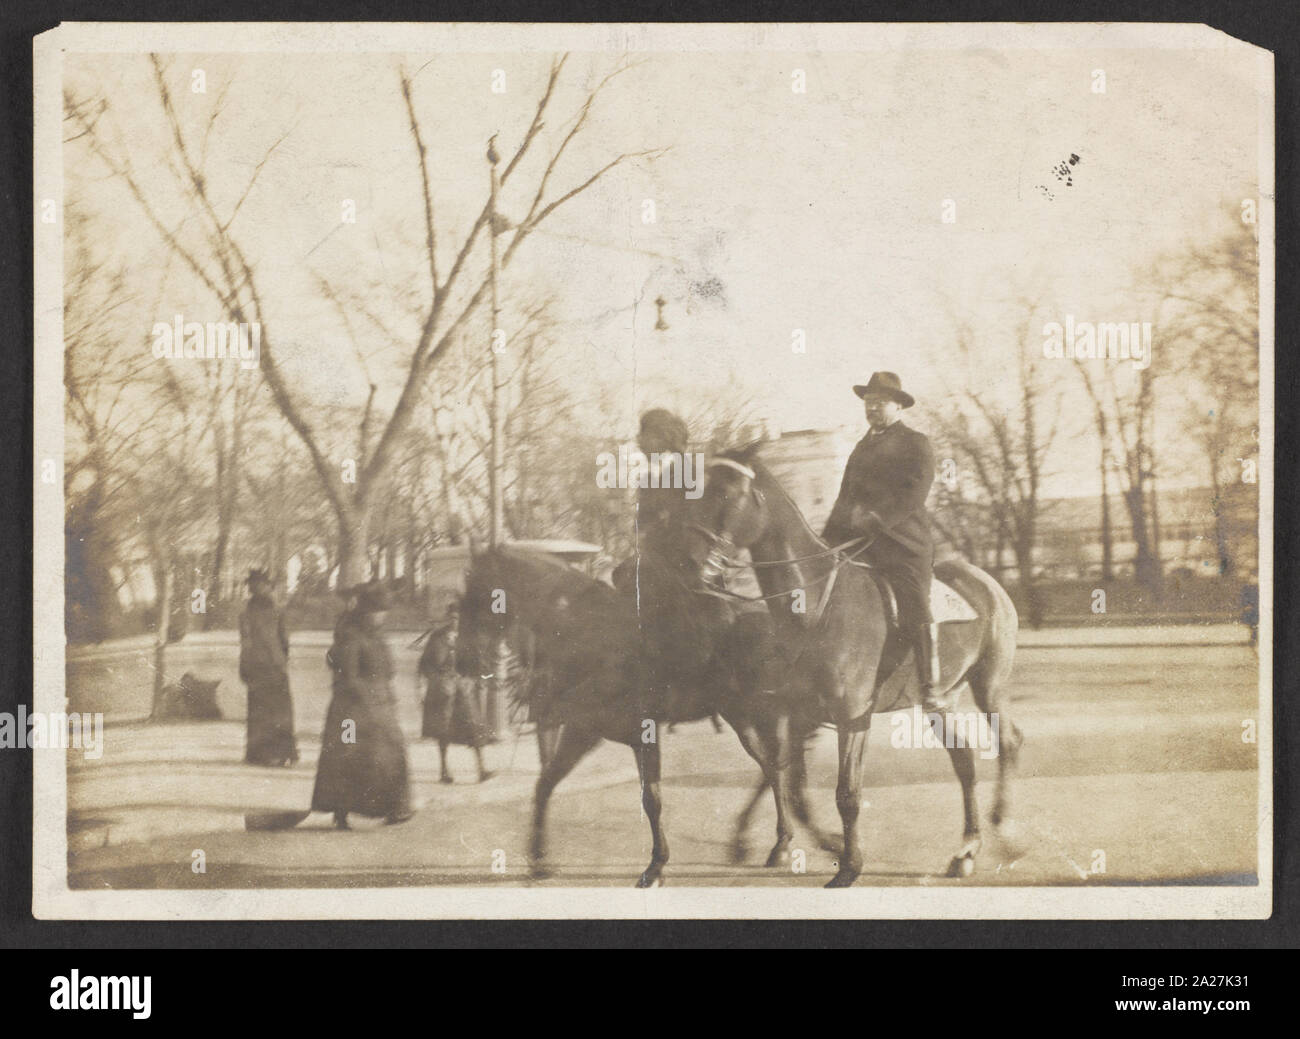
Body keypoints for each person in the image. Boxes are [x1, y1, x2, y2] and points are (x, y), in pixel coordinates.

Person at [821, 372, 943, 712]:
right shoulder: (860, 449)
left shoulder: (915, 443)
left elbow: (914, 495)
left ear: (899, 406)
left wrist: (877, 519)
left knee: (914, 602)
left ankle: (930, 684)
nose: (872, 408)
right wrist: (826, 542)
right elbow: (844, 499)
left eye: (881, 402)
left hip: (904, 544)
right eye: (868, 402)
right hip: (861, 543)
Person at [311, 581, 413, 828]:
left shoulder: (378, 638)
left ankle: (392, 808)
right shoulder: (350, 636)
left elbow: (387, 671)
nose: (380, 616)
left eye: (383, 611)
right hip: (351, 709)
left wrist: (387, 697)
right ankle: (341, 811)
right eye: (376, 611)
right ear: (365, 613)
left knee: (392, 752)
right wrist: (370, 702)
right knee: (347, 755)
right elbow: (349, 677)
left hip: (379, 704)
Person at [418, 602, 494, 784]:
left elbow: (482, 665)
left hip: (464, 688)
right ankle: (444, 770)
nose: (455, 621)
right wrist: (436, 681)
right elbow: (424, 665)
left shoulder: (469, 638)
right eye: (452, 617)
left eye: (458, 618)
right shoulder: (437, 637)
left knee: (474, 726)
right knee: (443, 729)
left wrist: (476, 679)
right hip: (442, 689)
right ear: (447, 618)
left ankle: (481, 769)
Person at [238, 569, 298, 766]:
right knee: (277, 709)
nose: (255, 589)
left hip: (261, 665)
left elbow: (246, 642)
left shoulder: (247, 612)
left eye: (257, 585)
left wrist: (245, 665)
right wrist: (281, 660)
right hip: (272, 665)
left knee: (262, 709)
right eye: (254, 585)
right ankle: (279, 753)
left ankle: (263, 753)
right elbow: (284, 641)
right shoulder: (276, 610)